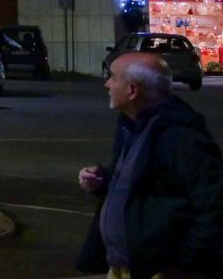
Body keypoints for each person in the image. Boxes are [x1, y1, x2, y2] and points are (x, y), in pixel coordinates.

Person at [77, 51, 221, 279]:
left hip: (160, 271)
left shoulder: (181, 136)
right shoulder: (133, 124)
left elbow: (214, 206)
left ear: (132, 90)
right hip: (124, 268)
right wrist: (103, 181)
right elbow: (146, 187)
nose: (107, 84)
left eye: (113, 77)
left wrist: (183, 265)